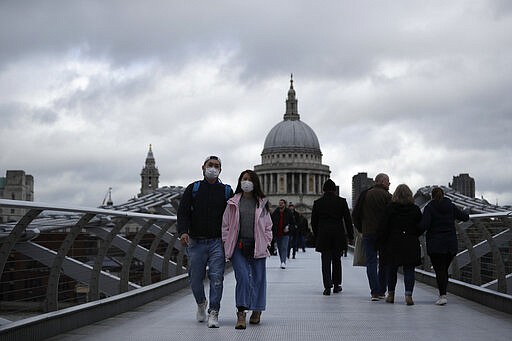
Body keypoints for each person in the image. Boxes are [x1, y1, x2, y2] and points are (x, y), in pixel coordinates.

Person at [177, 156, 233, 328]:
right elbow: (183, 212)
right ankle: (201, 302)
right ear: (203, 167)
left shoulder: (226, 191)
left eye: (217, 166)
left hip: (217, 242)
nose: (213, 169)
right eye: (211, 165)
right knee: (195, 278)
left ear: (220, 170)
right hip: (196, 241)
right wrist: (183, 232)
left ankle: (214, 312)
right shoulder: (193, 189)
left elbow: (232, 217)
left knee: (217, 278)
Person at [222, 170, 273, 329]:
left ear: (255, 183)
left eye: (250, 180)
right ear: (240, 181)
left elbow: (268, 226)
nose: (246, 182)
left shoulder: (262, 203)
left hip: (257, 245)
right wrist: (227, 241)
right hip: (238, 246)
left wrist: (267, 241)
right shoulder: (232, 202)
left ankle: (257, 310)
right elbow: (225, 225)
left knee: (258, 279)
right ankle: (242, 312)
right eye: (244, 179)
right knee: (243, 278)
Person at [422, 187, 469, 305]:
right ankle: (443, 294)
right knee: (444, 270)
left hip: (436, 245)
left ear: (432, 196)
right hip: (450, 244)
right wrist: (467, 211)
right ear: (443, 195)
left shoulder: (429, 207)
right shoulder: (451, 206)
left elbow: (425, 225)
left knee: (440, 270)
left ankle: (442, 296)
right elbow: (464, 217)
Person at [377, 184, 422, 305]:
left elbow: (383, 227)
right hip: (410, 241)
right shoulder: (415, 209)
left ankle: (391, 294)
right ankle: (408, 295)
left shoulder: (389, 208)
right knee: (409, 269)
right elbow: (421, 226)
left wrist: (382, 241)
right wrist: (414, 234)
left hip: (393, 242)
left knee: (391, 269)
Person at [311, 179, 354, 295]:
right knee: (337, 261)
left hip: (324, 234)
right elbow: (348, 220)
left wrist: (317, 234)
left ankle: (327, 286)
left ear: (323, 189)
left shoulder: (318, 203)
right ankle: (336, 285)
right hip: (338, 234)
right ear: (335, 189)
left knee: (325, 261)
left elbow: (313, 222)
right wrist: (350, 235)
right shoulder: (341, 202)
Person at [360, 173, 392, 301]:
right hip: (383, 234)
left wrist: (361, 228)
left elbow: (356, 214)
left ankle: (374, 291)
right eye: (388, 181)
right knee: (384, 262)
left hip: (368, 232)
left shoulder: (365, 195)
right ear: (382, 182)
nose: (389, 184)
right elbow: (392, 215)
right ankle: (381, 290)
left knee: (371, 262)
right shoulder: (388, 196)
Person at [271, 199, 295, 269]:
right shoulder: (275, 212)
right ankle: (282, 260)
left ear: (285, 204)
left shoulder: (288, 212)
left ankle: (283, 262)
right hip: (278, 233)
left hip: (285, 233)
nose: (280, 204)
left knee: (284, 247)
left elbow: (292, 223)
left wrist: (289, 228)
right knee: (280, 248)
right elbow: (272, 222)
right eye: (279, 203)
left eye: (282, 203)